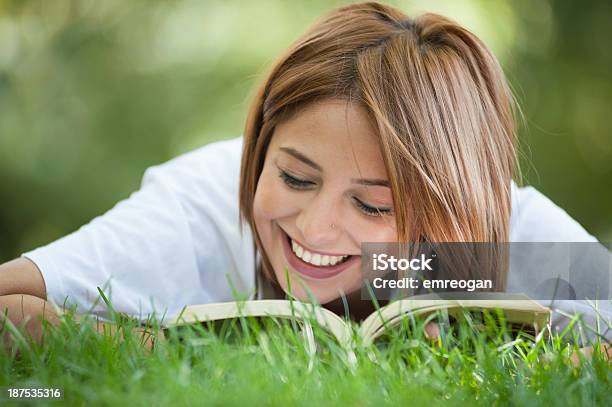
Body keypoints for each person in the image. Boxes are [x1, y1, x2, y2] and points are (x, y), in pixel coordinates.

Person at [0, 2, 609, 354]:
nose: (316, 227)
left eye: (373, 206)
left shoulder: (511, 230)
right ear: (261, 152)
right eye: (295, 178)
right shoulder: (204, 201)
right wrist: (201, 355)